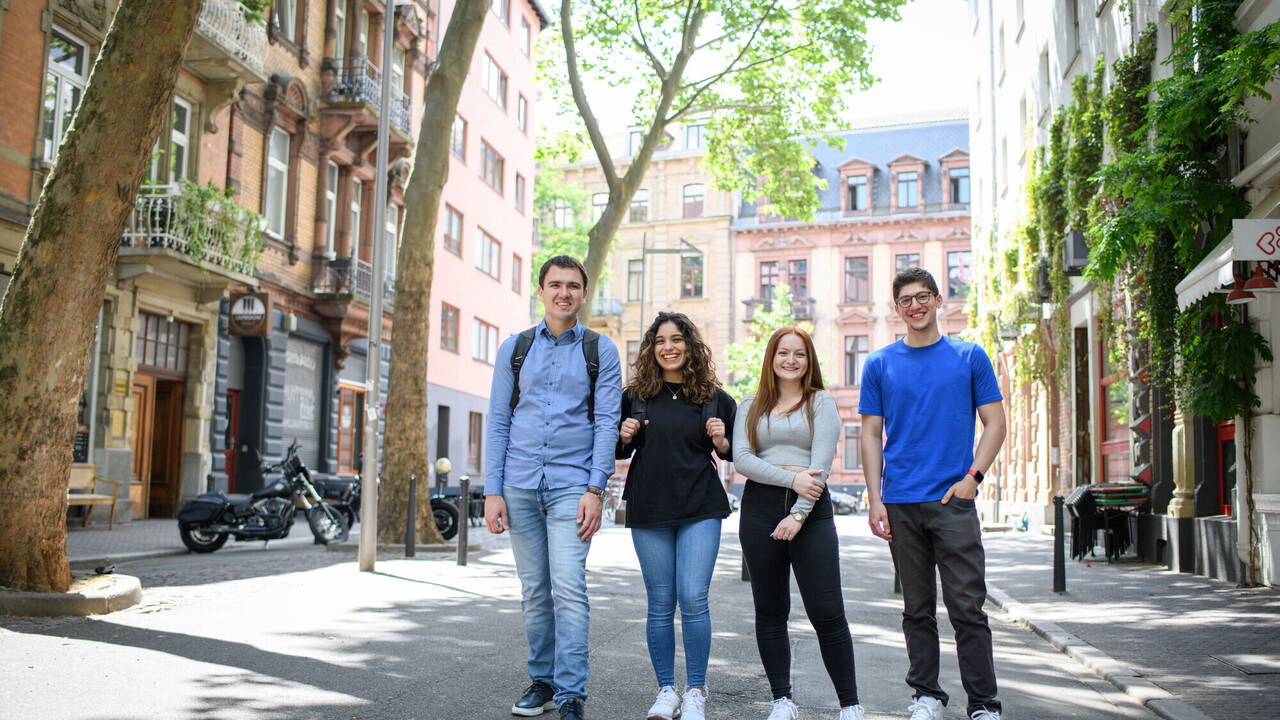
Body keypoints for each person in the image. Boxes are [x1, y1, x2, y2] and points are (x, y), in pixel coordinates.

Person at [859, 267, 1007, 720]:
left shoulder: (969, 357)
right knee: (916, 608)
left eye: (923, 297)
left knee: (967, 607)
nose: (916, 306)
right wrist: (875, 497)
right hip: (901, 502)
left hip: (953, 503)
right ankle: (926, 695)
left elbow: (996, 423)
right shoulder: (879, 363)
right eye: (906, 300)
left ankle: (983, 704)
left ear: (939, 301)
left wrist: (973, 479)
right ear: (897, 308)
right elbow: (869, 434)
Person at [484, 256, 622, 720]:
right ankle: (541, 681)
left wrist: (595, 489)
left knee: (569, 588)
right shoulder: (514, 349)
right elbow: (499, 421)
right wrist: (492, 490)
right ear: (540, 291)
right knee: (534, 591)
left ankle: (570, 695)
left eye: (573, 286)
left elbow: (607, 423)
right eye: (555, 285)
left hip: (571, 487)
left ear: (585, 293)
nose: (564, 293)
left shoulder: (601, 351)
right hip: (519, 485)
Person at [733, 326, 866, 720]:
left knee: (827, 611)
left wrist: (797, 513)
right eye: (783, 353)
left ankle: (850, 705)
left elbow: (820, 466)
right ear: (771, 358)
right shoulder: (750, 404)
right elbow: (741, 460)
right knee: (770, 610)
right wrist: (792, 475)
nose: (791, 360)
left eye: (800, 354)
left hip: (811, 511)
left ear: (809, 361)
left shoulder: (820, 402)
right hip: (759, 509)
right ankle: (782, 700)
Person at [616, 312, 736, 720]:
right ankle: (666, 690)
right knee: (660, 602)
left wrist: (721, 440)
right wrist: (624, 436)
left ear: (690, 345)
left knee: (694, 598)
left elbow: (734, 453)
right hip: (649, 507)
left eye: (677, 339)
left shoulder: (715, 397)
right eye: (660, 341)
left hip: (700, 505)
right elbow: (616, 452)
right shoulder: (635, 394)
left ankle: (696, 691)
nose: (668, 347)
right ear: (651, 348)